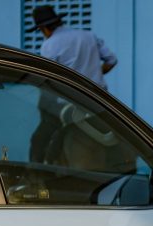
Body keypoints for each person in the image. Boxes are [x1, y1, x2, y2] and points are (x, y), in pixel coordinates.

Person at [28, 5, 118, 162]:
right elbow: (111, 60)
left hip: (70, 104)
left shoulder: (49, 45)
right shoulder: (89, 35)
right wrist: (95, 74)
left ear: (43, 28)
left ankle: (34, 174)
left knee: (39, 140)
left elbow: (48, 78)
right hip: (99, 101)